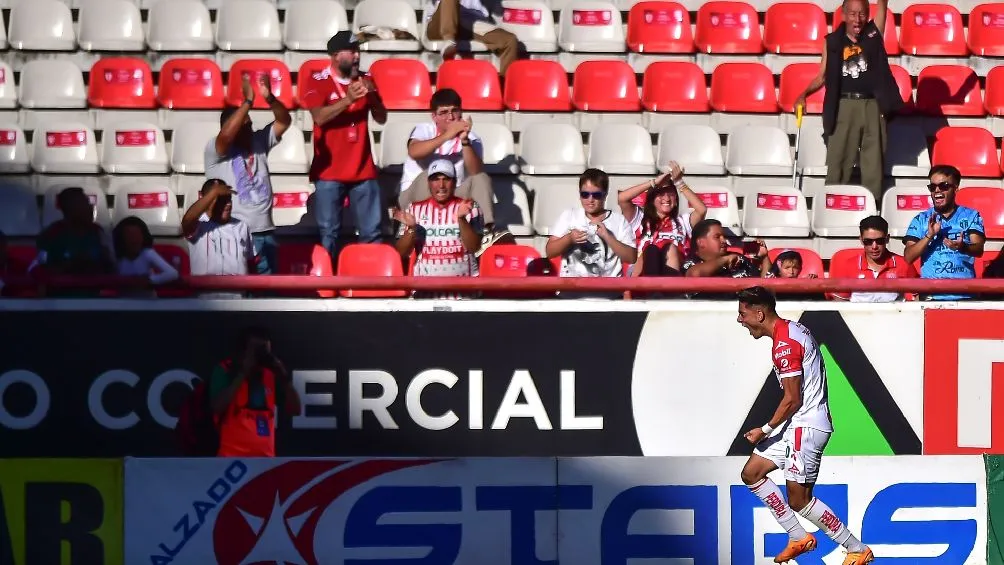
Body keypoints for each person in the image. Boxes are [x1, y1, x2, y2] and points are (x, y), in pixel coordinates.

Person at [736, 286, 874, 565]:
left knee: (799, 500)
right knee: (752, 473)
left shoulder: (785, 344)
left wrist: (764, 429)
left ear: (760, 314)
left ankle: (856, 548)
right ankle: (798, 536)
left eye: (742, 314)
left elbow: (792, 398)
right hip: (795, 424)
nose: (740, 320)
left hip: (805, 426)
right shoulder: (792, 329)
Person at [795, 0, 902, 200]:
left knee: (873, 165)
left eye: (862, 14)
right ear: (843, 15)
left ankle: (872, 213)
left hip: (873, 105)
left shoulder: (873, 34)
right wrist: (803, 94)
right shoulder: (832, 42)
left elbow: (883, 5)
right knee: (838, 162)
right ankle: (833, 205)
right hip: (843, 106)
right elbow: (822, 76)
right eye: (852, 14)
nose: (857, 19)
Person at [299, 31, 387, 262]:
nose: (358, 56)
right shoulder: (317, 80)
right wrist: (348, 100)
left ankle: (371, 284)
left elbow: (381, 118)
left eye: (358, 51)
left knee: (371, 233)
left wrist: (373, 95)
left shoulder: (366, 79)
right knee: (329, 234)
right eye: (352, 51)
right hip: (329, 172)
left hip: (363, 168)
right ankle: (328, 286)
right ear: (336, 56)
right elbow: (319, 117)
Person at [205, 73, 291, 275]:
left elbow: (284, 121)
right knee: (241, 289)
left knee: (269, 291)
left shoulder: (259, 141)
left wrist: (269, 98)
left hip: (266, 232)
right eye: (245, 126)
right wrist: (248, 101)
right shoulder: (216, 150)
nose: (251, 129)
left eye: (251, 124)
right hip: (234, 231)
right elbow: (226, 136)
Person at [399, 88, 497, 244]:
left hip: (452, 194)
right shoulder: (424, 129)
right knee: (430, 176)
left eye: (454, 111)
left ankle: (486, 231)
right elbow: (414, 152)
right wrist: (447, 136)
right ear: (434, 116)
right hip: (415, 194)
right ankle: (414, 229)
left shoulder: (472, 138)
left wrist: (465, 142)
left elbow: (475, 171)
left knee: (481, 179)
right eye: (443, 112)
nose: (450, 117)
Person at [394, 159, 483, 298]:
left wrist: (461, 220)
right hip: (424, 293)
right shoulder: (414, 209)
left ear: (454, 182)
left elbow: (474, 247)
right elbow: (401, 253)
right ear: (429, 183)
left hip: (463, 294)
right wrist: (411, 229)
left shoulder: (470, 207)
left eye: (446, 179)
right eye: (435, 179)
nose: (441, 185)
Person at [209, 327, 301, 457]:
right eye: (257, 351)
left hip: (265, 460)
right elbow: (217, 407)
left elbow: (295, 409)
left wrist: (283, 375)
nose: (261, 357)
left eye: (265, 351)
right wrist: (243, 373)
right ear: (244, 351)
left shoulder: (271, 375)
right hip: (230, 458)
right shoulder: (226, 370)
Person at [903, 165, 985, 301]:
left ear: (956, 188)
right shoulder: (921, 219)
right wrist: (929, 236)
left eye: (944, 186)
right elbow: (908, 257)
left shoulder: (971, 215)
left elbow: (979, 249)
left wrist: (963, 247)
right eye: (932, 187)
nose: (937, 191)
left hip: (965, 294)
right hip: (931, 296)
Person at [616, 162, 707, 277]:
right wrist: (653, 183)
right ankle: (653, 292)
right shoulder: (639, 218)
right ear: (652, 198)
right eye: (660, 193)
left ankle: (668, 292)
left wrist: (679, 183)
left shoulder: (683, 222)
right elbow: (622, 199)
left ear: (676, 199)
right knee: (651, 251)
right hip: (641, 276)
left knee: (670, 248)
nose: (666, 198)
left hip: (675, 275)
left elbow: (701, 210)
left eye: (670, 193)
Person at [545, 168, 637, 278]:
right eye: (585, 194)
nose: (590, 199)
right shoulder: (569, 216)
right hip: (571, 292)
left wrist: (609, 238)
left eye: (596, 195)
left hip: (608, 293)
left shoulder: (618, 220)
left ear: (605, 195)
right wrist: (569, 239)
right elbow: (550, 252)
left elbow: (631, 257)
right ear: (579, 195)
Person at [28, 187, 115, 297]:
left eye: (88, 203)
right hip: (59, 302)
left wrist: (97, 265)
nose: (90, 208)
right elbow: (35, 270)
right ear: (69, 209)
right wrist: (69, 266)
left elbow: (112, 268)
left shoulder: (99, 233)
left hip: (93, 301)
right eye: (83, 204)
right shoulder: (50, 235)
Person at [830, 215, 916, 302]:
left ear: (887, 239)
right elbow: (840, 302)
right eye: (868, 241)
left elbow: (917, 298)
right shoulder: (848, 266)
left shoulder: (904, 264)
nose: (874, 246)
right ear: (861, 240)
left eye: (879, 241)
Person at [182, 179, 256, 279]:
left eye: (229, 200)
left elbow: (250, 262)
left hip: (238, 292)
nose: (228, 204)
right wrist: (214, 193)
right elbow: (187, 220)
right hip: (207, 292)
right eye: (222, 200)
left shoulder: (241, 226)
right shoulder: (199, 224)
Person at [424, 0, 520, 75]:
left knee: (509, 41)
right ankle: (449, 42)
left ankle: (506, 89)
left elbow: (498, 13)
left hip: (470, 21)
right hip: (440, 22)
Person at [113, 216, 180, 297]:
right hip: (123, 304)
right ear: (121, 238)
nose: (134, 240)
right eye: (129, 236)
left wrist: (149, 280)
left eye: (137, 236)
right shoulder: (117, 257)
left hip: (147, 305)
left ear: (143, 237)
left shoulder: (148, 253)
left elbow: (173, 273)